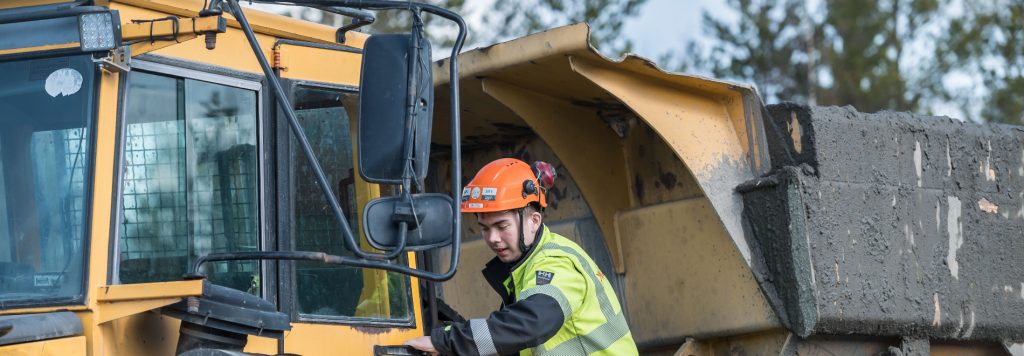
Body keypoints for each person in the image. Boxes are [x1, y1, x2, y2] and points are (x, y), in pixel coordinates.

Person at [405, 158, 638, 356]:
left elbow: (531, 323)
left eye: (501, 225)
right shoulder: (523, 271)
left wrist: (447, 341)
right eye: (485, 228)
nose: (492, 238)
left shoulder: (555, 263)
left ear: (533, 221)